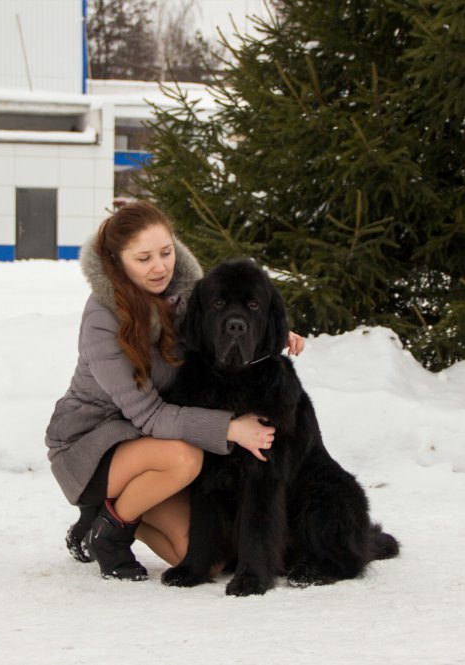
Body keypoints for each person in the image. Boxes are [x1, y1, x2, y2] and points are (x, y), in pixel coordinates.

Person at [45, 201, 305, 581]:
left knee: (210, 559)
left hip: (150, 444)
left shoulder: (183, 295)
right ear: (118, 262)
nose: (160, 267)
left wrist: (266, 332)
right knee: (185, 459)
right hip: (92, 445)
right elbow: (149, 414)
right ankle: (109, 534)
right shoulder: (102, 320)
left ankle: (103, 513)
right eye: (144, 258)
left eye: (166, 253)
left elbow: (211, 329)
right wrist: (230, 429)